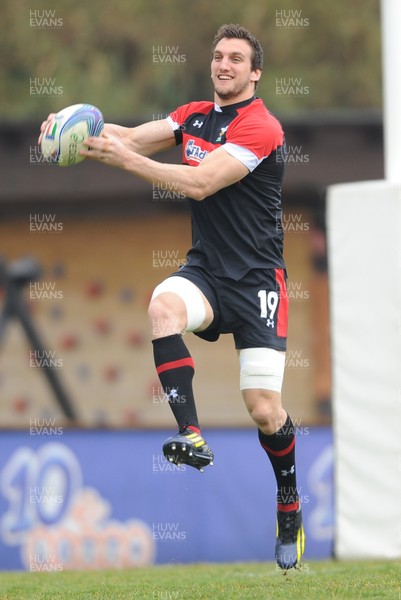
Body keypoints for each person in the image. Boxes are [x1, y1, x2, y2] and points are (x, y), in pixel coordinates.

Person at [39, 23, 305, 570]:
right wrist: (72, 127)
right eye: (218, 56)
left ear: (255, 72)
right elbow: (131, 138)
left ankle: (289, 504)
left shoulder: (262, 128)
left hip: (257, 283)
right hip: (207, 271)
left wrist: (125, 162)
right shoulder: (191, 116)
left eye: (236, 58)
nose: (224, 64)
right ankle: (191, 434)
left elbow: (201, 182)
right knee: (162, 305)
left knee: (263, 409)